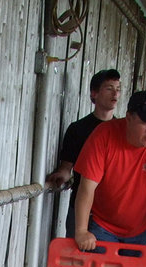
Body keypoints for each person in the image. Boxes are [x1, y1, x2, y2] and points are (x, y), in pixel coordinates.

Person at [73, 90, 146, 259]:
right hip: (103, 226)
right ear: (128, 117)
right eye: (145, 122)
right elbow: (86, 187)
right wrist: (81, 231)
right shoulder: (103, 135)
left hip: (139, 229)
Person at [46, 69, 123, 238]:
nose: (115, 93)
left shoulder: (123, 131)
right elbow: (67, 166)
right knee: (76, 260)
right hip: (81, 209)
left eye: (118, 89)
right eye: (109, 88)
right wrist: (62, 175)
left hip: (112, 211)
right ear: (94, 93)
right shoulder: (78, 129)